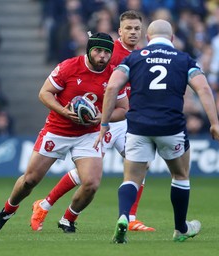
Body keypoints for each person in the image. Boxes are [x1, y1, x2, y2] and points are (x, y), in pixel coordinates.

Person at [95, 19, 219, 243]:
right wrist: (214, 123)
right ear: (172, 39)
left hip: (138, 126)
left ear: (148, 39)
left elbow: (113, 86)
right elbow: (203, 88)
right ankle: (180, 228)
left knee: (132, 178)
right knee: (180, 175)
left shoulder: (134, 58)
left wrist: (104, 123)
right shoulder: (184, 59)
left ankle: (124, 217)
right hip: (170, 126)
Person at [0, 32, 128, 233]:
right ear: (89, 50)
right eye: (98, 51)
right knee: (30, 180)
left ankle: (68, 219)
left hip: (88, 134)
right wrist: (65, 112)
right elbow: (44, 93)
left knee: (91, 184)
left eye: (107, 52)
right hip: (57, 130)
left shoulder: (114, 75)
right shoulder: (69, 67)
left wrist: (102, 118)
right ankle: (6, 212)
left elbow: (124, 109)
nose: (102, 56)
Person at [30, 10, 155, 232]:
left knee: (140, 162)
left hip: (122, 118)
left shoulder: (140, 55)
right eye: (129, 28)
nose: (133, 32)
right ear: (119, 31)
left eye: (137, 28)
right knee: (86, 175)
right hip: (100, 121)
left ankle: (130, 217)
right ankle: (44, 205)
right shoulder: (109, 53)